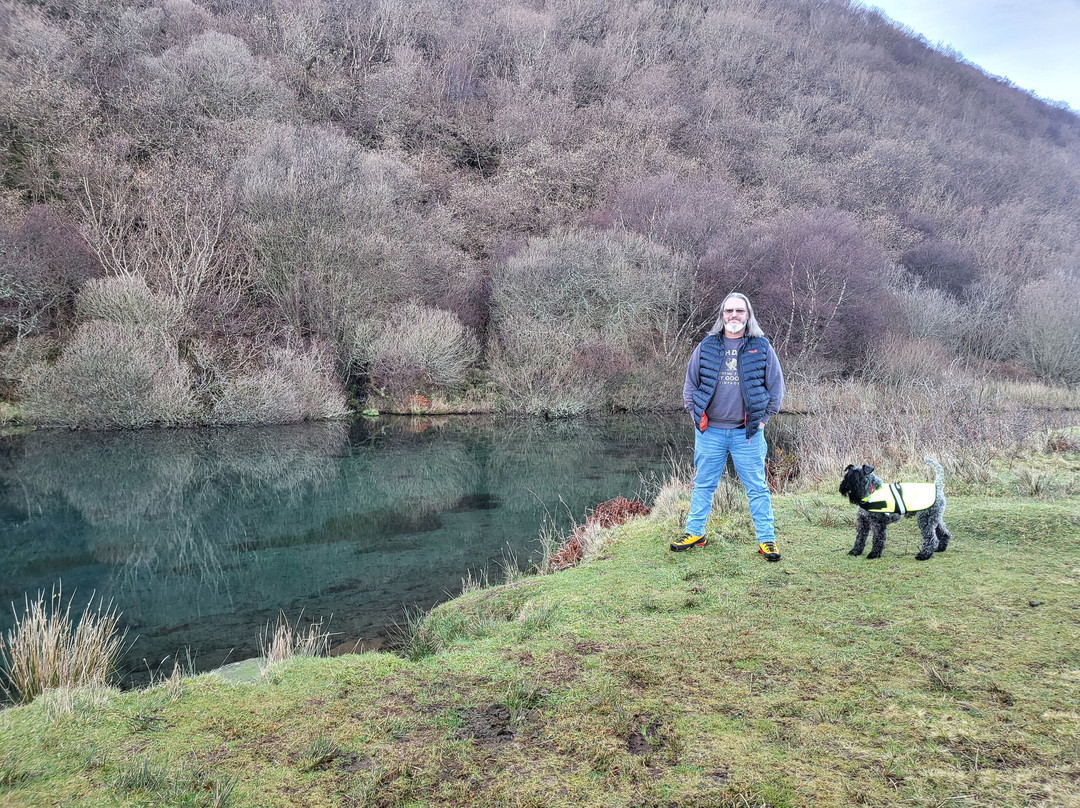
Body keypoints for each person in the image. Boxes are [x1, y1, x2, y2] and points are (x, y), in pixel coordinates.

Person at [672, 292, 785, 560]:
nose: (733, 315)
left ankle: (766, 540)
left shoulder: (762, 347)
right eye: (728, 311)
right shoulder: (707, 345)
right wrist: (694, 414)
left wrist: (763, 420)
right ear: (722, 315)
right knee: (703, 485)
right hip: (710, 432)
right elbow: (690, 385)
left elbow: (776, 388)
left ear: (748, 316)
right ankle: (695, 532)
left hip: (747, 434)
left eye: (739, 311)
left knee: (757, 488)